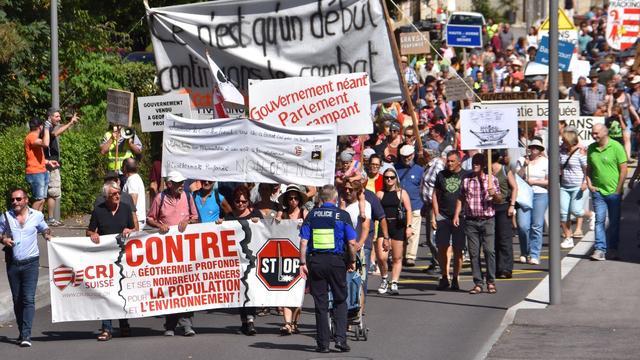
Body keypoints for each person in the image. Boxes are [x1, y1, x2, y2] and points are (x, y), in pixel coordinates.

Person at [299, 184, 357, 353]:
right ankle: (340, 339)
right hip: (337, 262)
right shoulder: (342, 215)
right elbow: (351, 242)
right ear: (335, 198)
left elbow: (303, 241)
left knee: (321, 304)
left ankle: (323, 344)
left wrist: (302, 263)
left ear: (321, 199)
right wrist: (352, 260)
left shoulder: (312, 215)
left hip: (316, 262)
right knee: (340, 300)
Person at [146, 170, 199, 336]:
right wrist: (158, 226)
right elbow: (150, 218)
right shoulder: (159, 198)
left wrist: (187, 221)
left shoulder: (188, 197)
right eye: (177, 183)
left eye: (182, 182)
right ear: (169, 184)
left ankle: (187, 324)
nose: (181, 185)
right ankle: (170, 325)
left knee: (186, 287)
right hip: (166, 252)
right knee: (169, 286)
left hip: (184, 251)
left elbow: (196, 218)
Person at [0, 188, 52, 347]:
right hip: (13, 264)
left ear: (26, 200)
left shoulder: (37, 216)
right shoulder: (5, 216)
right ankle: (22, 331)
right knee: (17, 300)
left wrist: (48, 235)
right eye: (13, 200)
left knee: (28, 298)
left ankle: (26, 335)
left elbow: (44, 228)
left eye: (18, 199)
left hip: (31, 263)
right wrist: (3, 240)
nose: (15, 202)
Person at [86, 181, 135, 341]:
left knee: (122, 291)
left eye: (118, 193)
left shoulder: (126, 208)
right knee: (106, 293)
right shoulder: (99, 211)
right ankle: (106, 327)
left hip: (123, 258)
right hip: (104, 258)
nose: (117, 196)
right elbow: (89, 230)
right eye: (114, 194)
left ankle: (124, 324)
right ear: (106, 196)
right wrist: (92, 234)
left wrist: (130, 230)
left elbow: (134, 229)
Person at [216, 185, 263, 335]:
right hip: (236, 261)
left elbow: (267, 231)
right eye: (237, 201)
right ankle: (244, 321)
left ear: (249, 201)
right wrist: (219, 225)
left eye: (244, 201)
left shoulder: (256, 214)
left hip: (253, 259)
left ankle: (250, 320)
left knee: (251, 289)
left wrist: (259, 223)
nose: (241, 204)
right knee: (241, 290)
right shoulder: (230, 217)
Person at [454, 153, 502, 294]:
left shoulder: (491, 179)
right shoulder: (466, 179)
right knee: (474, 253)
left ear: (484, 164)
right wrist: (457, 214)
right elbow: (461, 197)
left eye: (478, 162)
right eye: (474, 162)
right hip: (471, 220)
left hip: (487, 220)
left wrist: (494, 194)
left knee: (489, 251)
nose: (475, 164)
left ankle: (491, 281)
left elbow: (499, 200)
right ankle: (478, 283)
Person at [586, 124, 627, 260]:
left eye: (596, 133)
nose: (594, 135)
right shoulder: (591, 148)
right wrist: (589, 184)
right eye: (592, 133)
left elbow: (623, 170)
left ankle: (613, 249)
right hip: (598, 192)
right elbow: (589, 168)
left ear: (605, 132)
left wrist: (618, 190)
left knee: (614, 222)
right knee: (599, 220)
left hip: (613, 192)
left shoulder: (616, 147)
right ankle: (599, 249)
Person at [432, 151, 468, 290]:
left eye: (453, 161)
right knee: (442, 247)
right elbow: (435, 195)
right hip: (443, 216)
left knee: (458, 249)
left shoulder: (465, 175)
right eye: (448, 161)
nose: (449, 163)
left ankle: (455, 278)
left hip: (460, 217)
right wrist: (436, 214)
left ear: (459, 161)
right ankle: (444, 276)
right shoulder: (441, 175)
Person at [276, 184, 308, 335]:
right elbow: (272, 230)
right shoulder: (281, 214)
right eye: (290, 198)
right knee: (285, 290)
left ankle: (294, 322)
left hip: (301, 257)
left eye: (295, 198)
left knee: (298, 292)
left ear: (300, 200)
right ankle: (287, 324)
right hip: (285, 256)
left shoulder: (304, 213)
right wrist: (276, 220)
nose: (293, 201)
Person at [376, 168, 412, 295]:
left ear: (396, 178)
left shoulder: (402, 193)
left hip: (398, 226)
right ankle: (384, 278)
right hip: (383, 226)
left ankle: (394, 281)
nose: (389, 180)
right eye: (386, 177)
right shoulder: (380, 194)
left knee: (397, 257)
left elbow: (408, 210)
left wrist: (409, 226)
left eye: (391, 177)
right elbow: (375, 211)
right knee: (382, 257)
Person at [516, 139, 549, 265]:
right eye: (532, 146)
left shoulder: (546, 162)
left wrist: (534, 182)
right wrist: (524, 166)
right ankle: (525, 251)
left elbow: (549, 181)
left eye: (537, 147)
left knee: (536, 225)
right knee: (523, 225)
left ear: (541, 150)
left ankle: (535, 254)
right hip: (524, 195)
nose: (534, 149)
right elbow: (517, 177)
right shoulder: (522, 159)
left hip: (540, 194)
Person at [44, 108, 78, 226]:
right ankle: (50, 219)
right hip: (49, 164)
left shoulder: (48, 126)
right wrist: (70, 123)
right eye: (57, 116)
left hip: (50, 163)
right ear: (50, 117)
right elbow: (55, 134)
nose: (59, 119)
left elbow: (56, 131)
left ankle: (49, 218)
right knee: (51, 192)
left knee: (48, 193)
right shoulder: (47, 128)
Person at [394, 145, 424, 267]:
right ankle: (398, 253)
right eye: (404, 156)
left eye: (408, 156)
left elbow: (422, 187)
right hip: (399, 205)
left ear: (413, 155)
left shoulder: (420, 170)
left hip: (415, 204)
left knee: (414, 232)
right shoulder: (395, 169)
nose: (406, 158)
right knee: (398, 231)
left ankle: (410, 256)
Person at [559, 127, 588, 248]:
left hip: (577, 186)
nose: (562, 141)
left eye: (564, 140)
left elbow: (587, 169)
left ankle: (591, 215)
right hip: (564, 186)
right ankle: (568, 237)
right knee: (563, 213)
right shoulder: (561, 151)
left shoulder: (580, 152)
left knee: (576, 211)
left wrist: (585, 182)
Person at [491, 150, 518, 279]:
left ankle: (506, 268)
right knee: (493, 239)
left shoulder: (504, 170)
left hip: (503, 207)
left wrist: (512, 205)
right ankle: (496, 268)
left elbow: (514, 187)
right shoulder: (485, 171)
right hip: (489, 208)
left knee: (504, 239)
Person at [24, 117, 51, 212]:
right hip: (35, 172)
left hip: (42, 171)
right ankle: (31, 222)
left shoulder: (35, 137)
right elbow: (45, 143)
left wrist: (47, 162)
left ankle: (38, 222)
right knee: (39, 199)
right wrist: (47, 128)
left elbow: (35, 156)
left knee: (42, 199)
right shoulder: (31, 136)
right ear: (40, 127)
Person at [121, 158, 146, 230]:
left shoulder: (132, 180)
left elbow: (132, 201)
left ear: (125, 168)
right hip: (137, 219)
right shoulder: (135, 178)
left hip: (135, 220)